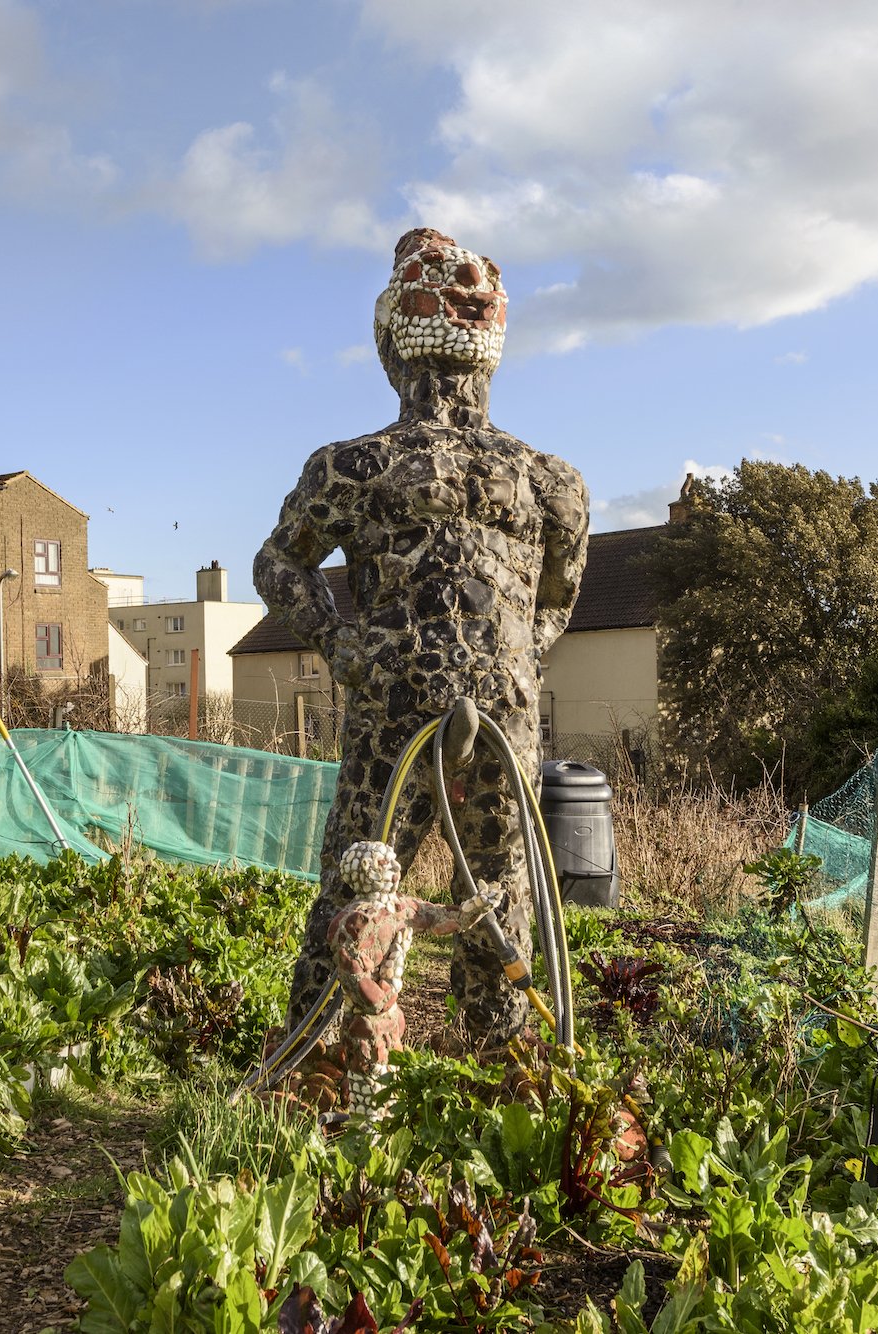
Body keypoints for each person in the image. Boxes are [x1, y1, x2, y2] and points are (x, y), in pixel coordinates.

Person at [256, 228, 588, 1044]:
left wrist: (513, 661)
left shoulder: (543, 481)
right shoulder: (363, 468)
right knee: (376, 884)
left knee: (493, 890)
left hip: (474, 715)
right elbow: (279, 568)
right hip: (407, 712)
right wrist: (347, 651)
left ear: (390, 344)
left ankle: (482, 1055)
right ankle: (332, 1051)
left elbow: (557, 600)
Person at [326, 841, 495, 1112]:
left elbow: (437, 916)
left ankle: (385, 1144)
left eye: (392, 860)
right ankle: (364, 1144)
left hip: (389, 1022)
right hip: (367, 1026)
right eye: (384, 863)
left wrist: (473, 909)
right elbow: (362, 988)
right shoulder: (351, 924)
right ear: (366, 872)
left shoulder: (398, 907)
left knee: (390, 1092)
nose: (394, 867)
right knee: (370, 1095)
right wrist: (390, 976)